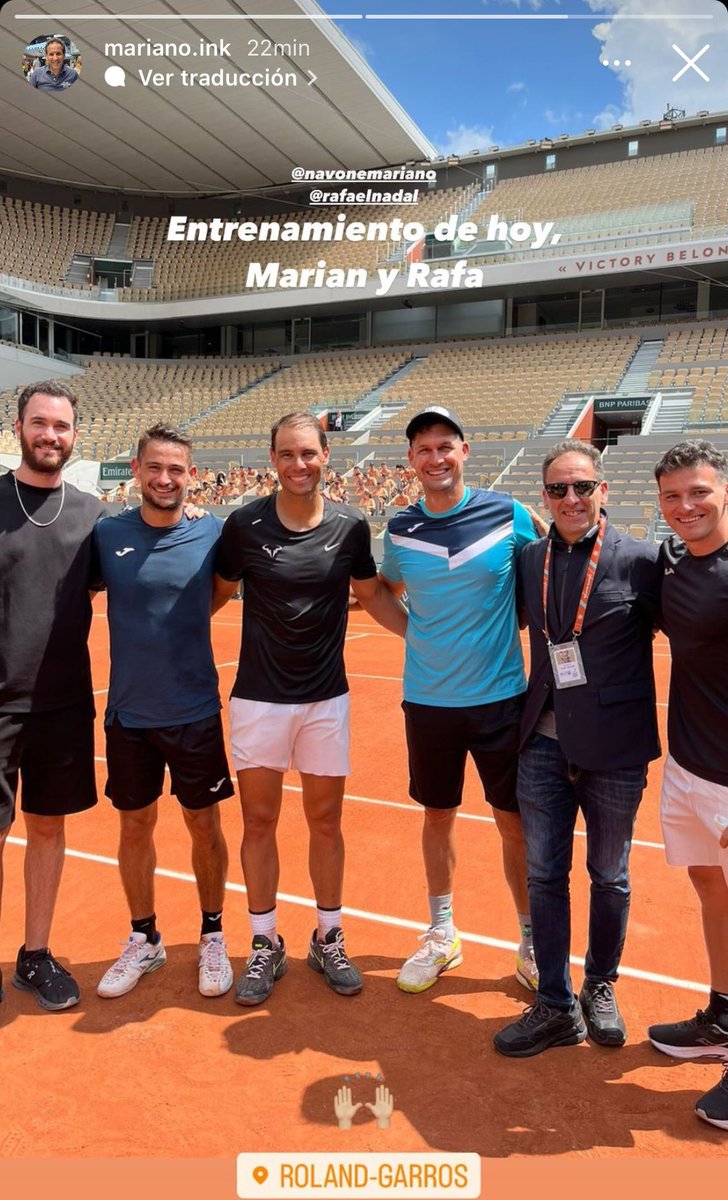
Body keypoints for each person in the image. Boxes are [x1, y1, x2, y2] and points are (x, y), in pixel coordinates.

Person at [214, 412, 407, 1006]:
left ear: (327, 456)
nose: (299, 464)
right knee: (259, 822)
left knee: (326, 822)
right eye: (287, 454)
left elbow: (372, 595)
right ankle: (264, 943)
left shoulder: (352, 525)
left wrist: (427, 639)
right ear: (273, 459)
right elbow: (216, 595)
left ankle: (327, 936)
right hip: (258, 701)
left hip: (326, 700)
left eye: (309, 453)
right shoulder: (243, 525)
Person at [494, 439, 660, 1058]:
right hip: (541, 744)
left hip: (615, 752)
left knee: (609, 876)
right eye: (559, 489)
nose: (571, 498)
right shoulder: (530, 556)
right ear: (545, 496)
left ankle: (601, 986)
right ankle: (555, 1004)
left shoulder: (641, 561)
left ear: (602, 491)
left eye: (582, 487)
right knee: (544, 875)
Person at [379, 407, 538, 995]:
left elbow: (542, 577)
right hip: (428, 701)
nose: (436, 458)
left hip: (502, 699)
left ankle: (530, 938)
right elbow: (386, 588)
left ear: (465, 451)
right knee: (437, 815)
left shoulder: (510, 513)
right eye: (424, 449)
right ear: (411, 461)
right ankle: (442, 933)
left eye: (446, 446)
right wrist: (416, 635)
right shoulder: (398, 529)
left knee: (514, 823)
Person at [93, 425, 235, 1000]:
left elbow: (219, 593)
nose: (165, 478)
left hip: (194, 708)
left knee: (204, 824)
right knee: (135, 825)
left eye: (176, 469)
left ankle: (212, 933)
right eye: (155, 467)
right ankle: (145, 938)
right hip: (128, 713)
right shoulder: (107, 535)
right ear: (136, 469)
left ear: (191, 474)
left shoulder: (211, 532)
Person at [1, 380, 100, 1010]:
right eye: (40, 424)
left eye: (60, 427)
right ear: (18, 428)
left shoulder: (92, 513)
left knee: (47, 828)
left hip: (63, 704)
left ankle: (35, 955)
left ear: (73, 436)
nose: (50, 436)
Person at [648, 440, 728, 1131]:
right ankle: (723, 1017)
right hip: (687, 766)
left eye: (698, 492)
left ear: (723, 489)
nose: (687, 507)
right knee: (709, 887)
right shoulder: (673, 560)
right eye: (673, 497)